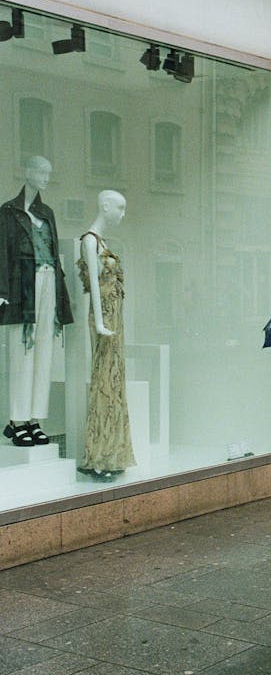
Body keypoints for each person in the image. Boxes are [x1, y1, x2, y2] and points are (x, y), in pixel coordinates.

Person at [0, 155, 73, 447]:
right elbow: (2, 253)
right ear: (27, 172)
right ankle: (17, 420)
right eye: (41, 172)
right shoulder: (8, 212)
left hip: (48, 281)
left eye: (48, 173)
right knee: (21, 353)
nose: (45, 177)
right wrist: (3, 290)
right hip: (22, 286)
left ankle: (35, 419)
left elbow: (54, 254)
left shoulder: (47, 212)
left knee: (45, 351)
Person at [76, 190, 136, 481]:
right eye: (120, 208)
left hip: (114, 317)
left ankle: (112, 454)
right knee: (104, 382)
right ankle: (99, 456)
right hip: (104, 318)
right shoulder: (89, 241)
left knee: (113, 382)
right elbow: (94, 289)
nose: (123, 215)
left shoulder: (102, 242)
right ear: (105, 207)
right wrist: (99, 323)